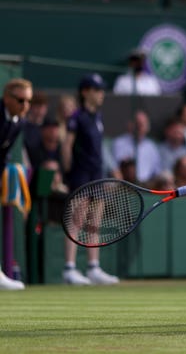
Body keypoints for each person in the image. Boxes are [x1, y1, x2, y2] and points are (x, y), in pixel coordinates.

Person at [61, 73, 119, 285]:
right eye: (97, 90)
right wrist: (68, 173)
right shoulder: (77, 117)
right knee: (76, 221)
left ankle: (94, 268)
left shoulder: (97, 116)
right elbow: (67, 146)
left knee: (94, 222)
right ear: (85, 92)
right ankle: (70, 268)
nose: (101, 94)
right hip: (81, 174)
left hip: (97, 174)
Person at [0, 78, 32, 291]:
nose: (25, 106)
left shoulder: (18, 121)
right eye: (20, 100)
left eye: (28, 101)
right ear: (7, 98)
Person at [111, 110, 162, 185]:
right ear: (130, 125)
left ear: (148, 126)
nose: (139, 127)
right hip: (124, 184)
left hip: (147, 185)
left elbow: (157, 171)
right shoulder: (119, 143)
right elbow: (114, 168)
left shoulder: (151, 147)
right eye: (137, 123)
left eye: (143, 124)